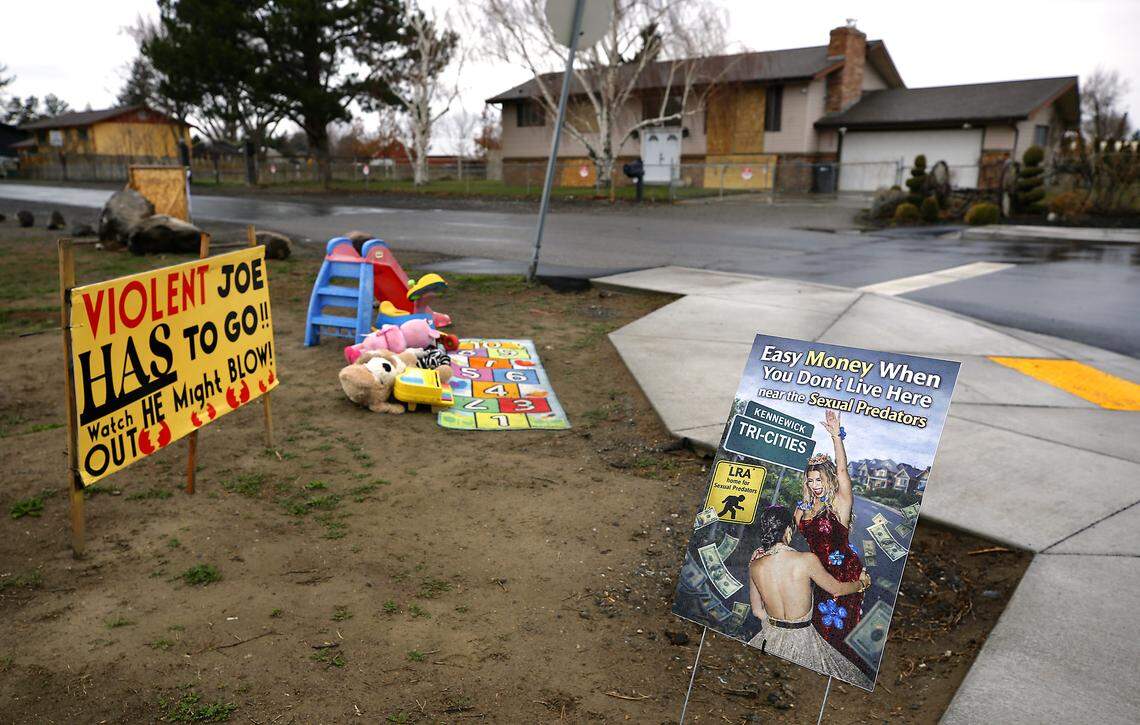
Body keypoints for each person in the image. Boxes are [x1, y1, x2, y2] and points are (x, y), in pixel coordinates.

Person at [745, 505, 872, 688]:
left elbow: (757, 611)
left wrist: (775, 625)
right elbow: (836, 589)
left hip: (769, 638)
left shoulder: (755, 565)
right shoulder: (806, 560)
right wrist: (862, 584)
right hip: (803, 640)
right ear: (788, 530)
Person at [791, 409, 869, 671]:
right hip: (814, 574)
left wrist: (837, 436)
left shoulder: (839, 503)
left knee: (833, 629)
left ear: (829, 479)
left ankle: (837, 672)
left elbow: (844, 470)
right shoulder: (801, 510)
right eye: (811, 479)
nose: (815, 484)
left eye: (820, 479)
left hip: (843, 572)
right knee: (810, 627)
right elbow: (788, 540)